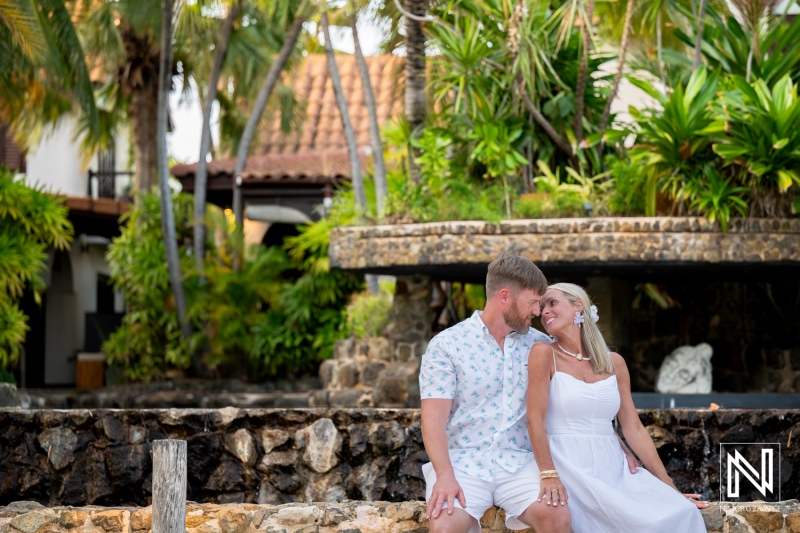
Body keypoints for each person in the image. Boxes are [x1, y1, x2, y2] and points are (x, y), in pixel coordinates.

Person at [419, 256, 637, 533]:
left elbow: (581, 398)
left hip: (521, 463)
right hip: (464, 464)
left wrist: (619, 447)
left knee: (557, 516)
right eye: (533, 302)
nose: (538, 312)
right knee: (444, 526)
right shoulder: (447, 345)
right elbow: (433, 420)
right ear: (505, 297)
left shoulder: (543, 346)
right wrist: (445, 476)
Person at [527, 282, 708, 533]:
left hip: (614, 464)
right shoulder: (543, 353)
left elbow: (633, 427)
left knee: (681, 513)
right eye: (542, 306)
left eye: (552, 303)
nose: (544, 311)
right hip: (567, 463)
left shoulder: (614, 363)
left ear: (578, 306)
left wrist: (668, 485)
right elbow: (534, 420)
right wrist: (548, 475)